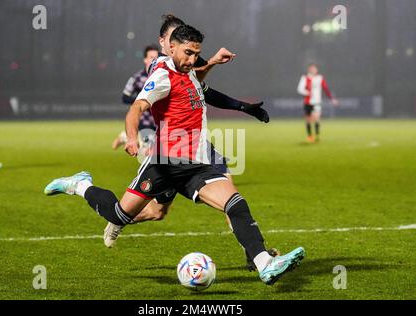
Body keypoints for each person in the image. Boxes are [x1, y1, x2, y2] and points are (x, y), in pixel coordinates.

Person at [45, 25, 305, 285]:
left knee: (235, 203)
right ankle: (80, 185)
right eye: (188, 53)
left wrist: (241, 102)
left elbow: (207, 89)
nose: (192, 59)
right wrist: (133, 137)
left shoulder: (190, 72)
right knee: (118, 215)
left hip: (198, 164)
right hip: (165, 164)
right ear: (170, 47)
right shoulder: (161, 76)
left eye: (196, 54)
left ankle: (264, 264)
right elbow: (137, 107)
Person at [112, 45, 159, 152]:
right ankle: (127, 137)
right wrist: (143, 102)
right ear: (145, 60)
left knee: (158, 152)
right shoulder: (137, 78)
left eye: (156, 58)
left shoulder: (162, 77)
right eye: (151, 57)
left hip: (159, 120)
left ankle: (124, 136)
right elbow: (125, 97)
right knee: (149, 152)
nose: (154, 60)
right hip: (144, 120)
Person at [297, 63, 338, 143]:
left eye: (315, 69)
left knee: (316, 118)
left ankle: (317, 136)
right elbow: (299, 89)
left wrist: (332, 99)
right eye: (312, 69)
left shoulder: (320, 78)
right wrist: (307, 92)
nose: (314, 70)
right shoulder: (304, 78)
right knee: (308, 120)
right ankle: (310, 137)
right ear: (309, 69)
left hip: (317, 102)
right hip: (307, 102)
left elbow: (326, 89)